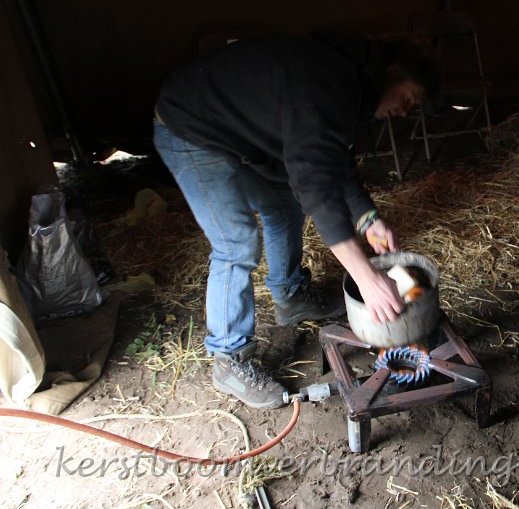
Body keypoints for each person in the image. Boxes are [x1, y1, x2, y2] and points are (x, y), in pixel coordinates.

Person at [153, 32, 440, 409]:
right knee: (237, 241)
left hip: (237, 133)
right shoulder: (329, 83)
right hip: (191, 127)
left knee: (283, 206)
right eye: (407, 98)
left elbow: (334, 159)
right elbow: (315, 186)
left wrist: (368, 218)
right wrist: (366, 277)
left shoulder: (352, 81)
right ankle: (228, 357)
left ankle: (290, 295)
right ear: (392, 71)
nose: (404, 112)